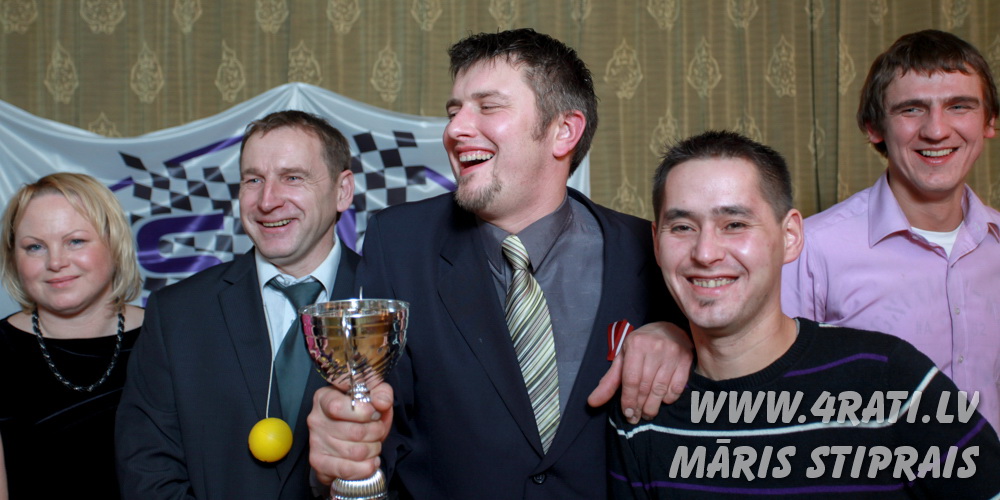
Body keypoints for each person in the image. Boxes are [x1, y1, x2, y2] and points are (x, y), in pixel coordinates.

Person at [306, 29, 690, 498]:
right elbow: (373, 426)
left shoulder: (646, 248)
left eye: (488, 107)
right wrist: (345, 466)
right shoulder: (399, 242)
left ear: (564, 131)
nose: (455, 130)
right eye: (454, 112)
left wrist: (684, 337)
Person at [610, 130, 1000, 498]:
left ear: (790, 237)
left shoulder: (888, 379)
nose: (705, 253)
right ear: (656, 243)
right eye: (682, 227)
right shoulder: (643, 409)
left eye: (734, 224)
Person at [115, 110, 358, 499]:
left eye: (293, 178)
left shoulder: (393, 302)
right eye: (253, 180)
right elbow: (148, 470)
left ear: (342, 190)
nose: (267, 201)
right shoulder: (176, 315)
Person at [781, 30, 1000, 431]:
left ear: (990, 121)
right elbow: (775, 394)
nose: (936, 130)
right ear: (874, 127)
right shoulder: (811, 250)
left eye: (959, 106)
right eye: (911, 109)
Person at [0, 173, 144, 499]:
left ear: (114, 242)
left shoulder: (175, 338)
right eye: (35, 247)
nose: (56, 262)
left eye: (75, 241)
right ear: (13, 258)